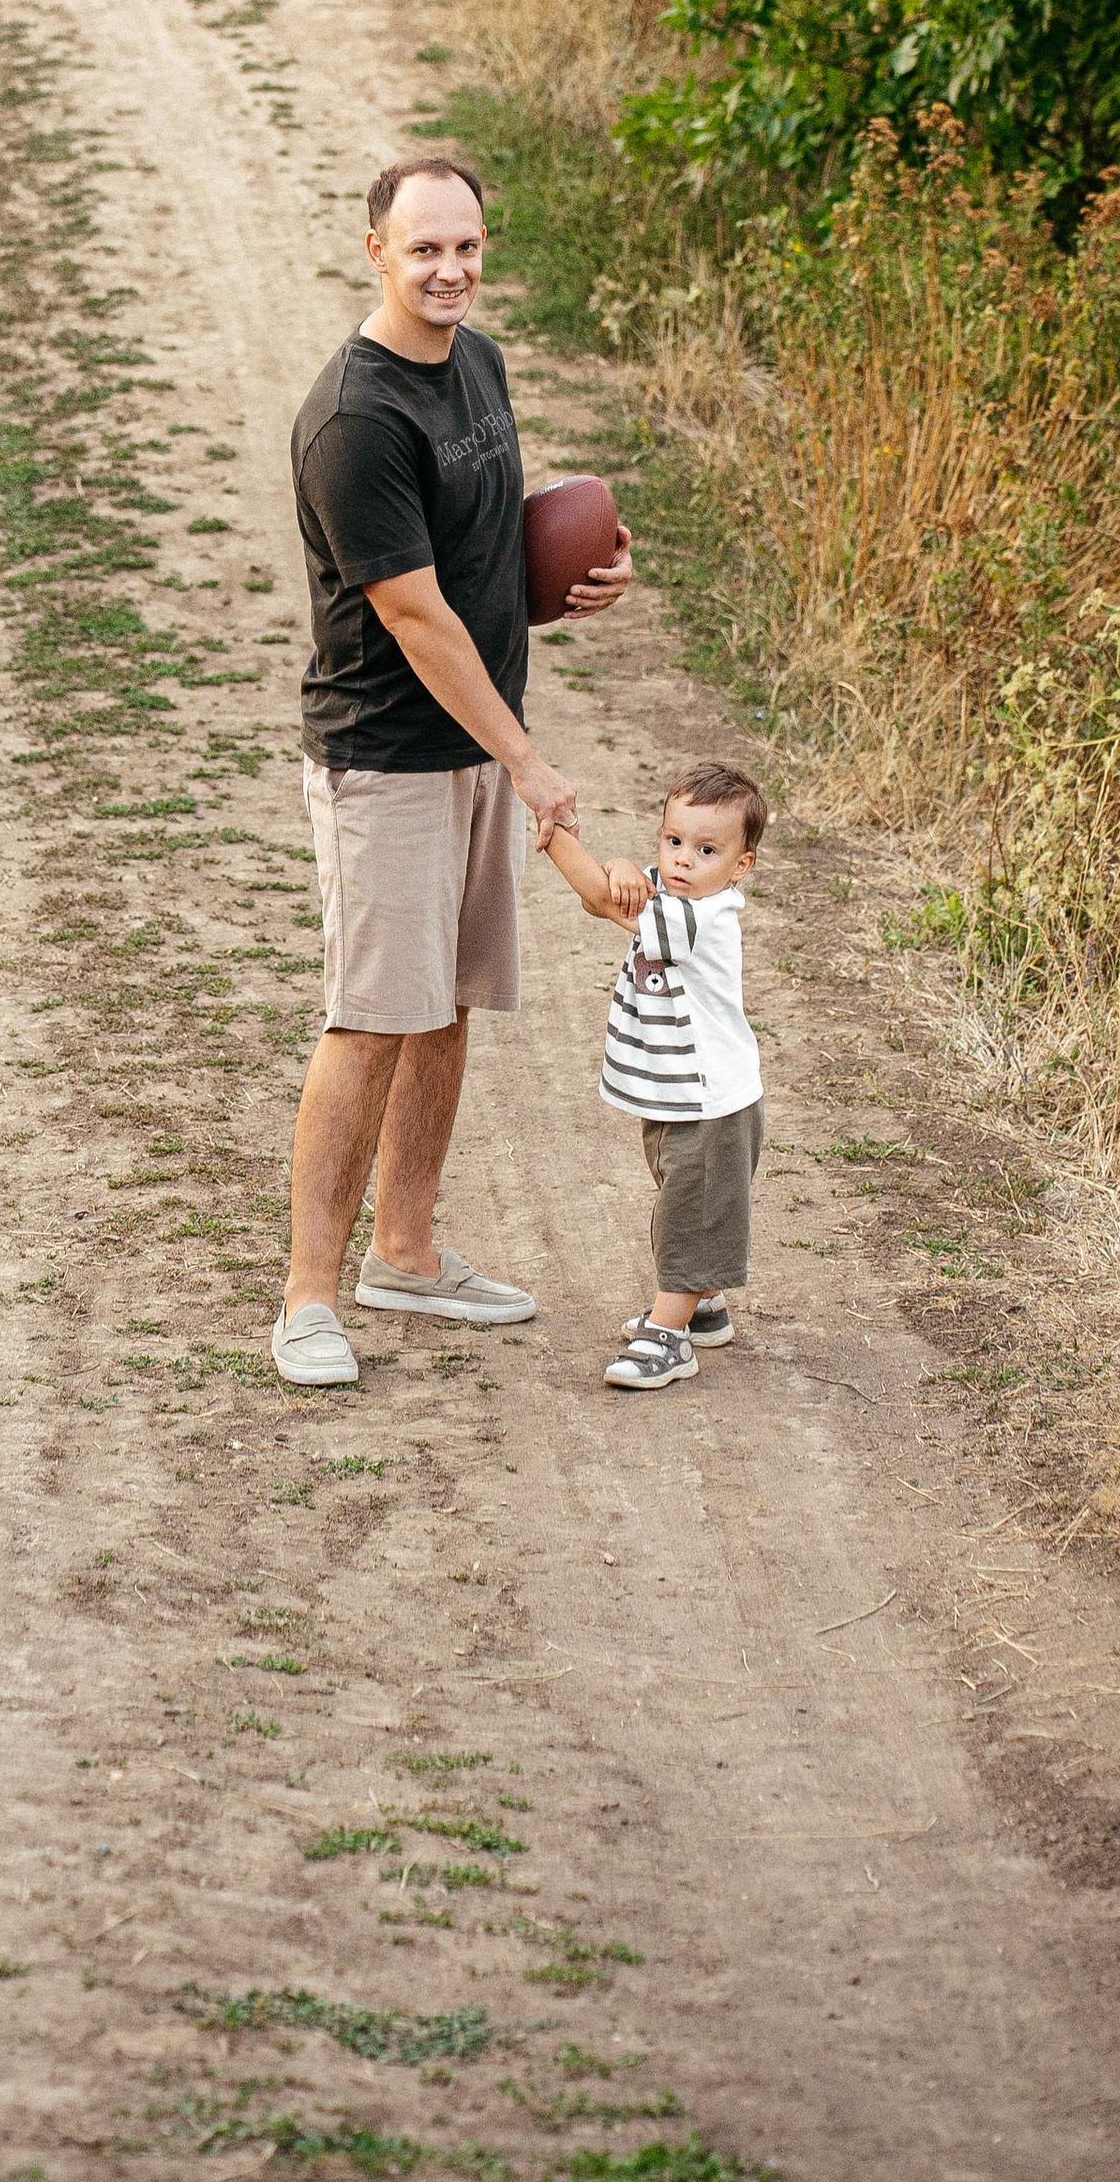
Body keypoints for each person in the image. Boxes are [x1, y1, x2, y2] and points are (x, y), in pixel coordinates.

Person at [273, 158, 634, 1388]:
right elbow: (414, 614)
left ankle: (408, 1254)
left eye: (466, 247)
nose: (449, 271)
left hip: (474, 739)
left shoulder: (476, 363)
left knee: (448, 1004)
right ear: (375, 250)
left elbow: (481, 548)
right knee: (373, 1018)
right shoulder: (354, 421)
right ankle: (307, 1300)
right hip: (387, 758)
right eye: (424, 249)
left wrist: (582, 575)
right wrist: (529, 763)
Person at [539, 764, 768, 1391]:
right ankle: (705, 1308)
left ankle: (669, 1337)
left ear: (740, 867)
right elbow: (613, 890)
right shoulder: (671, 893)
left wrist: (553, 828)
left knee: (688, 1216)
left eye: (706, 850)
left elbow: (601, 898)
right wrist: (619, 863)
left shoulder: (703, 916)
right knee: (685, 1198)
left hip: (711, 1104)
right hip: (679, 1096)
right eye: (673, 841)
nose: (683, 859)